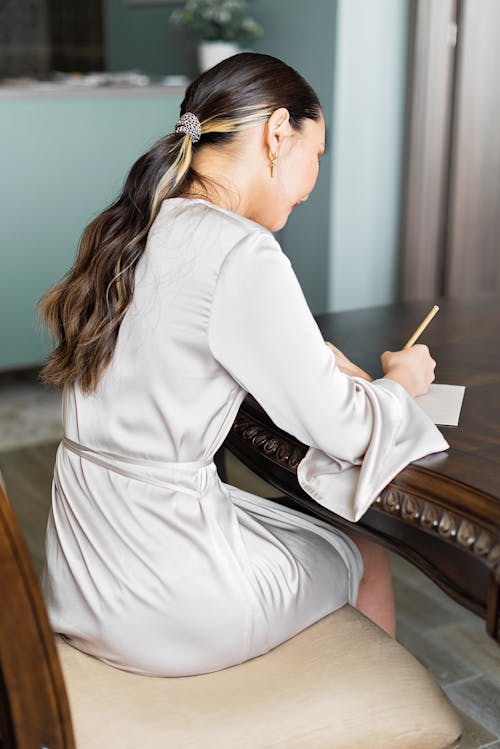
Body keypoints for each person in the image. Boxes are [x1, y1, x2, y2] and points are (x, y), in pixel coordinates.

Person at [39, 53, 447, 677]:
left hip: (85, 571)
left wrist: (309, 359)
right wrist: (401, 382)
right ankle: (360, 724)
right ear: (277, 133)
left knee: (302, 530)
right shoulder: (241, 250)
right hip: (166, 596)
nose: (312, 183)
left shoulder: (135, 226)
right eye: (317, 156)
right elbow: (343, 429)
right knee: (364, 551)